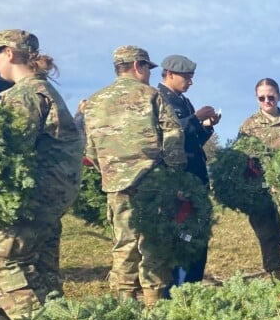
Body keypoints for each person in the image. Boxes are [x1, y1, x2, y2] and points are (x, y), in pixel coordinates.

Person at [0, 30, 82, 320]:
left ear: (10, 53)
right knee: (41, 272)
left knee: (2, 261)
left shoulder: (24, 95)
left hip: (29, 201)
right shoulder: (45, 90)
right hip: (49, 200)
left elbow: (9, 151)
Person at [84, 45, 185, 306]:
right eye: (148, 69)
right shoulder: (152, 96)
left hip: (115, 184)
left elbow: (90, 150)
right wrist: (175, 175)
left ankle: (125, 306)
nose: (149, 75)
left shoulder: (94, 102)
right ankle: (153, 304)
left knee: (124, 243)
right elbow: (173, 135)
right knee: (153, 244)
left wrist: (108, 171)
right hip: (152, 181)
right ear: (138, 66)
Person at [157, 55, 220, 286]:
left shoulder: (182, 100)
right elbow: (168, 135)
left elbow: (191, 142)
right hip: (179, 182)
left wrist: (207, 127)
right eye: (186, 77)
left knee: (197, 237)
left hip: (196, 179)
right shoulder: (160, 99)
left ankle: (193, 285)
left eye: (192, 77)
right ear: (170, 74)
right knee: (182, 238)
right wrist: (194, 119)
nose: (190, 82)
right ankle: (178, 289)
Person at [237, 78, 280, 280]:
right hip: (262, 193)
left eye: (271, 96)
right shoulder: (249, 126)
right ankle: (276, 282)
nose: (267, 101)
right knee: (267, 238)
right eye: (262, 97)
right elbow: (241, 158)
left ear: (279, 96)